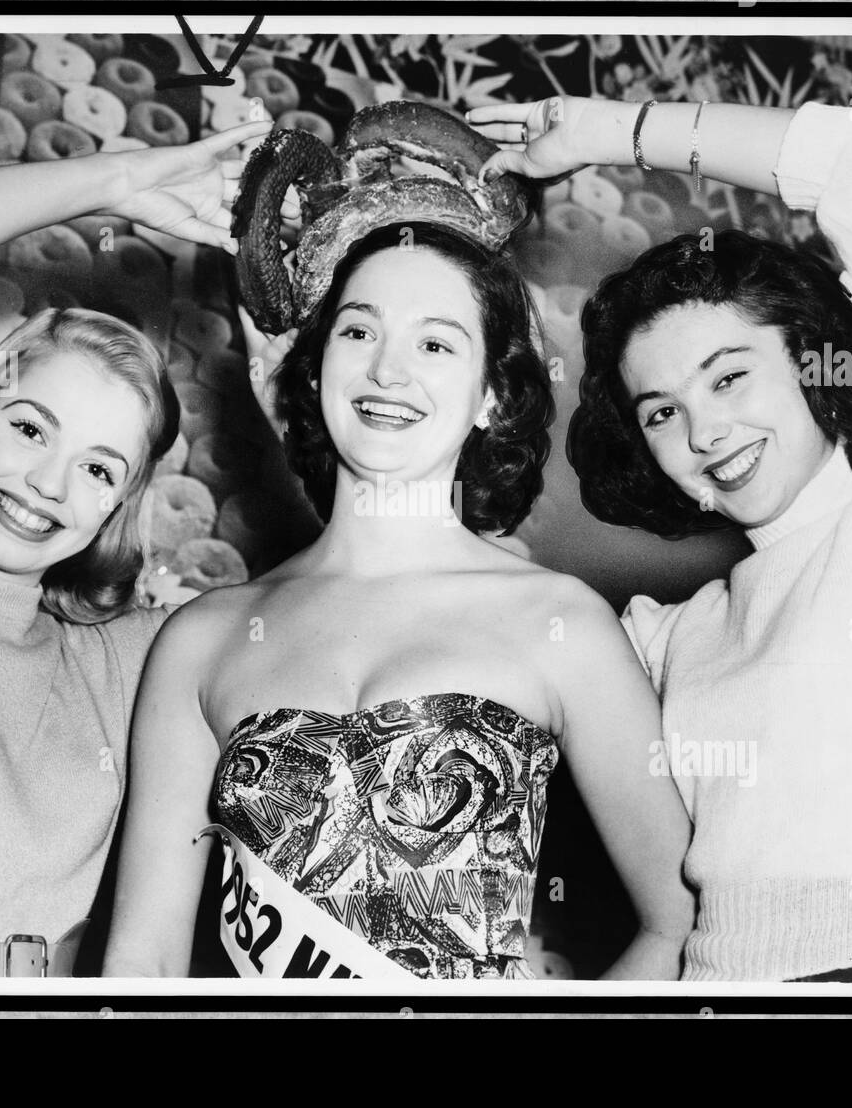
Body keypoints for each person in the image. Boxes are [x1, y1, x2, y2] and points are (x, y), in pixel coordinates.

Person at [468, 95, 852, 982]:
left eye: (730, 376)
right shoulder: (671, 632)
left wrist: (610, 134)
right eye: (664, 412)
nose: (706, 431)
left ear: (810, 359)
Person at [103, 221, 694, 980]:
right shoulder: (204, 637)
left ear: (489, 394)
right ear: (316, 370)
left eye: (436, 344)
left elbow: (678, 925)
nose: (388, 370)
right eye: (359, 330)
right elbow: (141, 962)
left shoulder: (561, 622)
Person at [0, 119, 276, 976]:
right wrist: (118, 182)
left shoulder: (138, 659)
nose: (49, 483)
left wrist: (291, 386)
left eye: (99, 469)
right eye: (31, 426)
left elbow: (371, 578)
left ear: (118, 505)